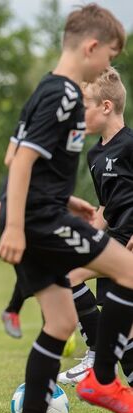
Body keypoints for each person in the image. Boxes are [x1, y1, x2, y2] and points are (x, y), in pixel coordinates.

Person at [0, 5, 131, 413]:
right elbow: (21, 162)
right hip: (38, 220)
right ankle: (103, 378)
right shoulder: (65, 95)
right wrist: (17, 226)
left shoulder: (47, 89)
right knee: (130, 271)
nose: (108, 65)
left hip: (41, 211)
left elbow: (13, 155)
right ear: (91, 47)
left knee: (60, 322)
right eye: (109, 56)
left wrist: (66, 199)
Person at [58, 67, 133, 386]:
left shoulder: (130, 145)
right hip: (115, 239)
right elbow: (106, 208)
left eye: (84, 105)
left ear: (106, 106)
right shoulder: (95, 154)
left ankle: (96, 354)